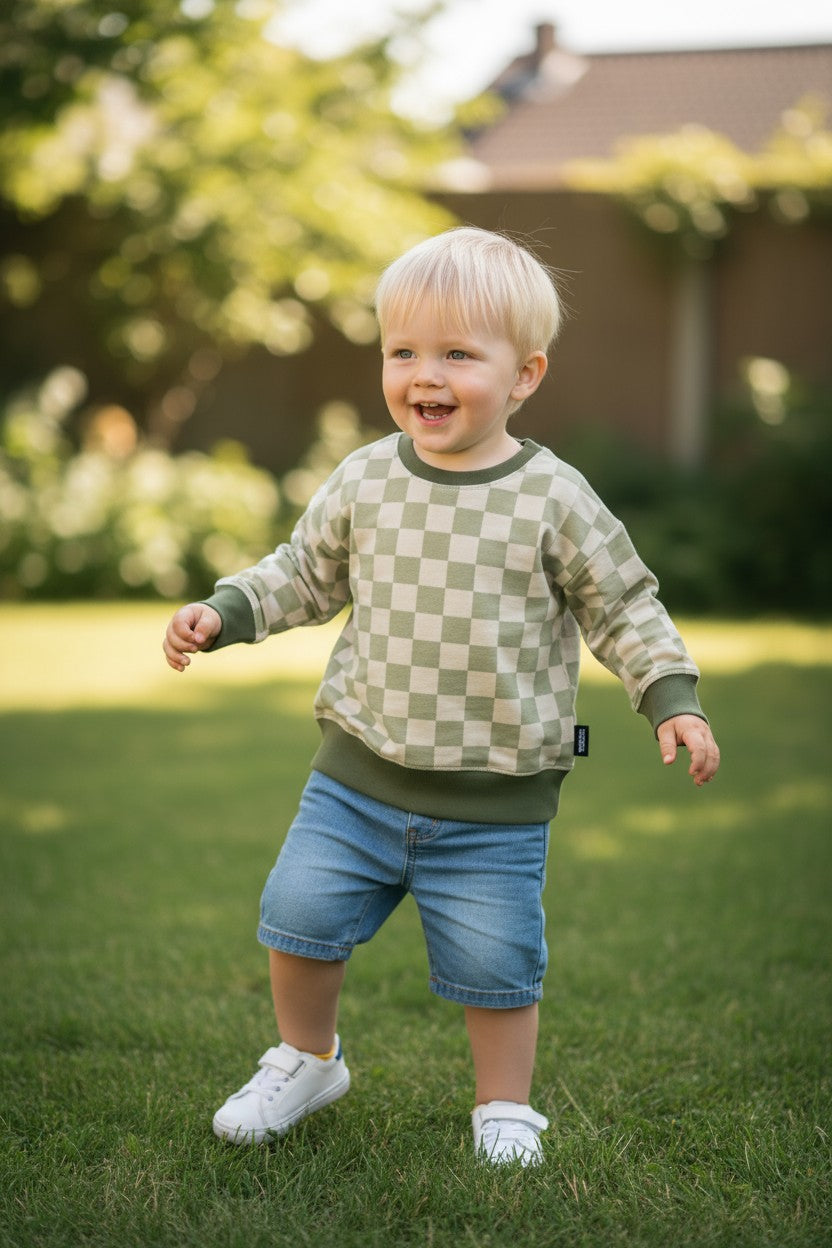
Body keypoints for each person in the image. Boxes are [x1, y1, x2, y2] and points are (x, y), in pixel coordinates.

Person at [162, 226, 720, 1166]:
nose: (426, 374)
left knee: (498, 968)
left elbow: (622, 603)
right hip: (356, 780)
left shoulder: (553, 496)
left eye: (458, 354)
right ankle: (308, 1058)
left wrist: (671, 696)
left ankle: (504, 1108)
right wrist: (227, 611)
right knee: (297, 918)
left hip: (494, 801)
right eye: (404, 351)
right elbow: (305, 570)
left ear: (525, 375)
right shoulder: (368, 478)